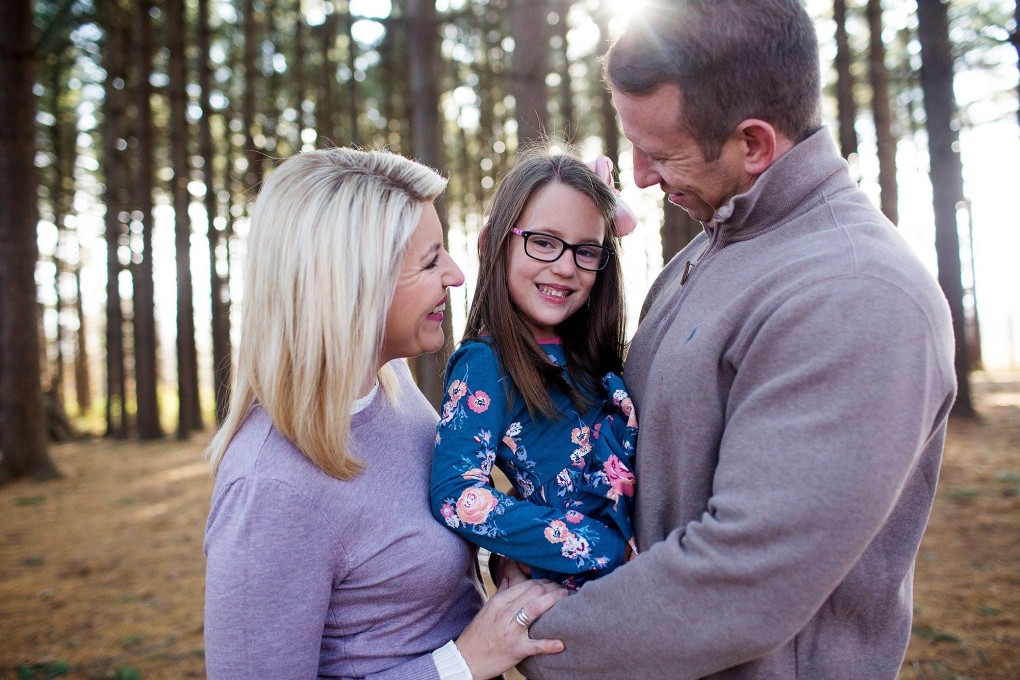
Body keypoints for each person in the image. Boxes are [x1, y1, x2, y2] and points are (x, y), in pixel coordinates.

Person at [517, 1, 957, 678]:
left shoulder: (855, 293)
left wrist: (537, 636)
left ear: (753, 144)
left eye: (660, 154)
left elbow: (744, 580)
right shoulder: (709, 255)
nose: (637, 177)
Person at [202, 147, 566, 679]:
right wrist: (462, 661)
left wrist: (504, 556)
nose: (457, 274)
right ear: (354, 287)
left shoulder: (389, 383)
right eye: (430, 260)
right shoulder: (271, 490)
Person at [429, 150, 640, 592]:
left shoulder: (594, 356)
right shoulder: (486, 364)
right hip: (590, 597)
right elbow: (455, 495)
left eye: (586, 250)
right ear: (496, 243)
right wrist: (596, 545)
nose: (565, 267)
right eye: (543, 242)